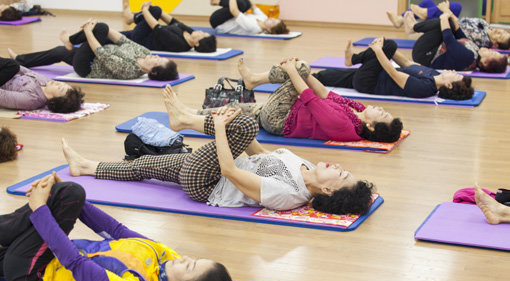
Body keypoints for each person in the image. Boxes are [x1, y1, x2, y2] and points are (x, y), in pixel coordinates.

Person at [62, 85, 375, 215]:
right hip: (208, 166)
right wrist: (232, 126)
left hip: (207, 184)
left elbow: (230, 171)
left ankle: (184, 119)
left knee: (245, 126)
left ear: (330, 189)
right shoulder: (304, 165)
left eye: (341, 173)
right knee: (142, 165)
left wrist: (225, 129)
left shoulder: (289, 195)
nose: (338, 165)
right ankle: (86, 167)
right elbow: (258, 154)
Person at [0, 172, 234, 281]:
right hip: (46, 257)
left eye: (190, 267)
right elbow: (117, 231)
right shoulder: (165, 259)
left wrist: (41, 208)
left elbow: (75, 262)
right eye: (193, 260)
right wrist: (74, 203)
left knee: (68, 194)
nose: (184, 258)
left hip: (33, 277)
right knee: (69, 193)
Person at [196, 58, 403, 143]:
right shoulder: (356, 109)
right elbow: (324, 92)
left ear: (371, 127)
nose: (381, 108)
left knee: (301, 67)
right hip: (285, 111)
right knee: (233, 110)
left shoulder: (344, 125)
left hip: (279, 119)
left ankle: (253, 80)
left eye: (382, 114)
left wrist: (295, 71)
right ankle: (190, 116)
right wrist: (303, 73)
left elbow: (308, 96)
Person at [9, 19, 178, 81]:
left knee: (98, 29)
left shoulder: (131, 71)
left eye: (158, 60)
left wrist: (90, 31)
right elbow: (123, 40)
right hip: (92, 54)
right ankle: (20, 60)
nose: (155, 56)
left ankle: (70, 40)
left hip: (87, 66)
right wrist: (100, 26)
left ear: (153, 72)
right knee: (59, 52)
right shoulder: (145, 53)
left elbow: (101, 54)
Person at [314, 38, 474, 100]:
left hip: (369, 82)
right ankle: (301, 77)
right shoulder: (433, 74)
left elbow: (393, 72)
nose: (454, 71)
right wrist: (385, 49)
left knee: (390, 44)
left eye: (455, 76)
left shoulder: (425, 88)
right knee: (324, 76)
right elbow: (405, 62)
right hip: (373, 74)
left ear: (449, 85)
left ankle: (352, 60)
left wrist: (380, 50)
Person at [408, 12, 507, 73]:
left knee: (441, 25)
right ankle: (414, 27)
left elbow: (449, 39)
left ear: (485, 63)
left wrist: (443, 18)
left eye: (492, 53)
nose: (490, 50)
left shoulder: (469, 58)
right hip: (431, 49)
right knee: (449, 24)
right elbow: (462, 37)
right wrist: (451, 18)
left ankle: (413, 27)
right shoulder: (475, 54)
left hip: (423, 55)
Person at [122, 2, 216, 53]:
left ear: (196, 43)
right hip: (145, 31)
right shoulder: (191, 33)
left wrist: (145, 9)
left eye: (202, 34)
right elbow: (172, 21)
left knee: (156, 10)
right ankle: (131, 18)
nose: (200, 31)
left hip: (140, 38)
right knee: (157, 10)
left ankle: (130, 18)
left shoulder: (180, 44)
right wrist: (152, 8)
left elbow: (155, 26)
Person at [0, 57, 84, 112]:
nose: (58, 83)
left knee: (13, 65)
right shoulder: (46, 82)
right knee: (13, 65)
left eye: (59, 88)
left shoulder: (31, 99)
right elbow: (25, 70)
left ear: (53, 100)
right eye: (62, 83)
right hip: (6, 71)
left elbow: (3, 96)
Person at [210, 0, 289, 35]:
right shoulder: (264, 18)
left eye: (273, 22)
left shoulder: (254, 27)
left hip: (218, 22)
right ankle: (216, 1)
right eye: (274, 19)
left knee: (241, 5)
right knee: (246, 4)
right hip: (227, 18)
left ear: (269, 30)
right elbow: (252, 5)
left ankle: (216, 1)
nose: (271, 18)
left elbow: (234, 10)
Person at [387, 0, 462, 30]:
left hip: (459, 26)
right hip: (454, 22)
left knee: (457, 6)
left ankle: (425, 13)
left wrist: (446, 9)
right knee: (428, 2)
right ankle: (400, 20)